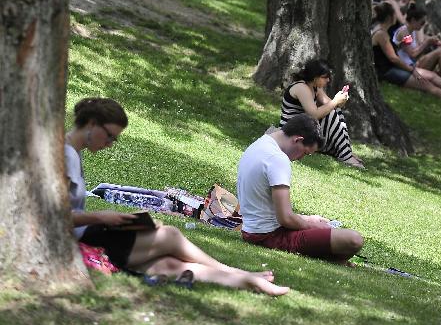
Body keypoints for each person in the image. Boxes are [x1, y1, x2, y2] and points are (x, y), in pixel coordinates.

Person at [65, 97, 289, 296]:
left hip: (85, 235)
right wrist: (101, 217)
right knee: (169, 236)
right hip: (82, 238)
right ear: (92, 124)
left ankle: (247, 281)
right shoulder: (64, 157)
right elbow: (54, 215)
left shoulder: (73, 153)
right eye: (109, 136)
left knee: (168, 265)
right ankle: (238, 273)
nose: (110, 144)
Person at [237, 114, 364, 261]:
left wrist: (309, 219)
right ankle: (336, 259)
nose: (300, 158)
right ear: (298, 140)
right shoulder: (277, 159)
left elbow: (267, 208)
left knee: (322, 225)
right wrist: (313, 226)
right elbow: (285, 218)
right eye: (305, 153)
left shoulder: (261, 143)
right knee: (353, 239)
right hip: (268, 236)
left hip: (253, 230)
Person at [371, 3, 441, 102]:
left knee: (433, 74)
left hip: (404, 66)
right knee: (429, 84)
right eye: (422, 23)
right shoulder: (402, 33)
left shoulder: (410, 31)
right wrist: (426, 45)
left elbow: (424, 42)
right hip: (399, 68)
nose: (423, 25)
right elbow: (408, 55)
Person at [280, 59, 364, 168]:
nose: (328, 80)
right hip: (291, 131)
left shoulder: (315, 87)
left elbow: (330, 104)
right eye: (325, 77)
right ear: (315, 77)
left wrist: (341, 101)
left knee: (336, 111)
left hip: (303, 127)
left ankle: (345, 151)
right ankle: (346, 155)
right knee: (331, 113)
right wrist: (335, 102)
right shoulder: (301, 88)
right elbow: (313, 115)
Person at [393, 4, 441, 86]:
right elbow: (412, 54)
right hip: (408, 68)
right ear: (413, 20)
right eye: (422, 22)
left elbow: (430, 40)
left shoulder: (412, 31)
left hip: (414, 64)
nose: (423, 25)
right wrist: (426, 42)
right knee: (440, 52)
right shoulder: (405, 33)